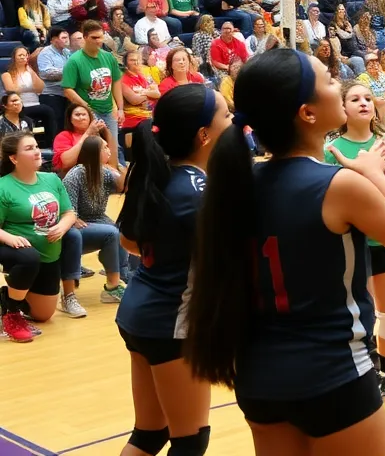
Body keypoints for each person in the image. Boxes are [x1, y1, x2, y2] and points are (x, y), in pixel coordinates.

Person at [184, 49, 385, 454]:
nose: (340, 84)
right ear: (308, 113)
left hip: (258, 375)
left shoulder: (234, 184)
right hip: (333, 374)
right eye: (329, 81)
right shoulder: (338, 186)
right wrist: (373, 175)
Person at [115, 83, 230, 456]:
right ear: (203, 135)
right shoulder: (201, 192)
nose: (234, 122)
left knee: (149, 434)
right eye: (226, 116)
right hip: (171, 324)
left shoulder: (160, 174)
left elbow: (128, 241)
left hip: (140, 312)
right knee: (189, 439)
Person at [325, 82, 385, 409]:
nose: (363, 103)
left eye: (367, 98)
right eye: (355, 99)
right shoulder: (331, 148)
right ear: (343, 109)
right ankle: (367, 375)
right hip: (350, 242)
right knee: (360, 314)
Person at [0, 133, 78, 342]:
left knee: (43, 315)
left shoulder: (51, 179)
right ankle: (11, 312)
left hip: (49, 253)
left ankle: (9, 293)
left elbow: (70, 213)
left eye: (36, 146)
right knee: (28, 257)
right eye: (28, 148)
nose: (36, 151)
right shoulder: (3, 187)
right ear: (14, 159)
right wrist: (9, 238)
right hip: (17, 250)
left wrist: (62, 226)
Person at [59, 136, 129, 316]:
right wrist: (73, 218)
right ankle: (111, 287)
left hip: (97, 219)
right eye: (104, 148)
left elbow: (124, 187)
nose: (109, 151)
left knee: (124, 229)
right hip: (77, 224)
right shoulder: (76, 174)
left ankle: (123, 274)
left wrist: (117, 167)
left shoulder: (104, 172)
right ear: (94, 153)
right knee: (111, 232)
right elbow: (67, 208)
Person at [61, 20, 125, 156]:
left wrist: (120, 108)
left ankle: (117, 173)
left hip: (108, 109)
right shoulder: (74, 61)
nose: (98, 41)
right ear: (85, 38)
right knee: (94, 147)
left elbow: (116, 83)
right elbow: (67, 89)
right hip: (88, 110)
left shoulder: (109, 57)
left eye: (101, 37)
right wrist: (85, 106)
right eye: (94, 38)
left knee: (114, 147)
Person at [3, 47, 56, 141]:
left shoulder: (32, 73)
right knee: (46, 110)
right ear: (14, 57)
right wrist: (27, 88)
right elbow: (11, 90)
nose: (23, 57)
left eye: (25, 55)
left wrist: (31, 71)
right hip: (20, 106)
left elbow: (40, 88)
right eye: (20, 55)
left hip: (35, 104)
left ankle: (50, 142)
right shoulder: (7, 74)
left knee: (49, 112)